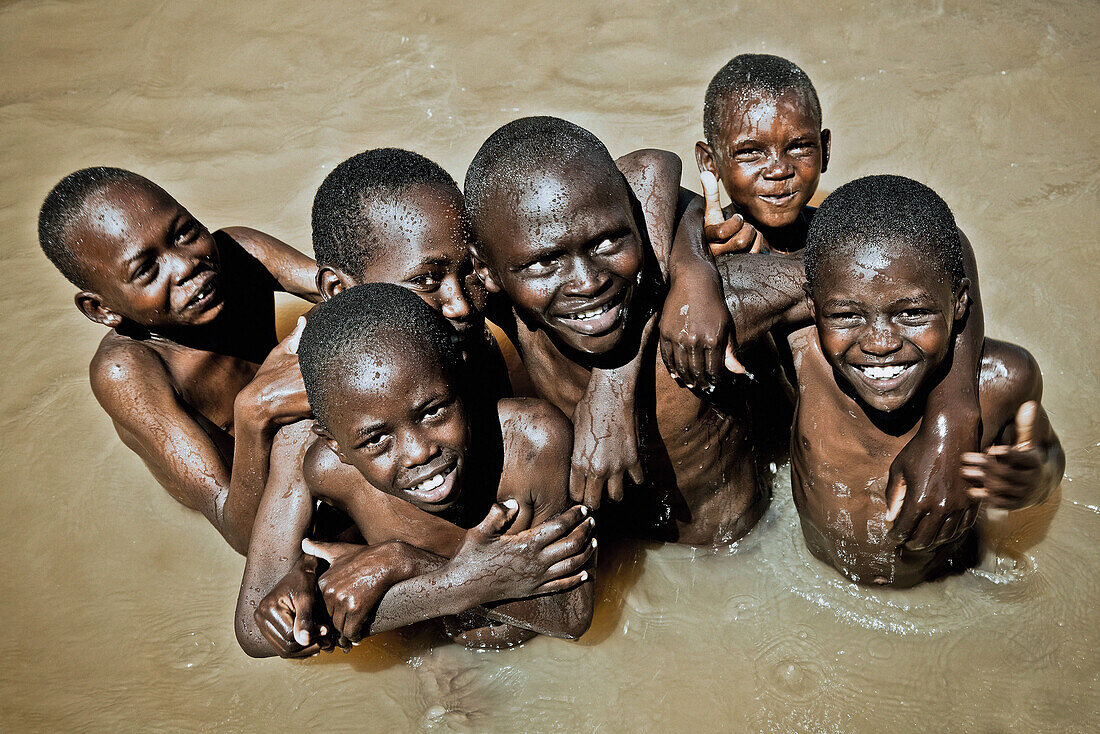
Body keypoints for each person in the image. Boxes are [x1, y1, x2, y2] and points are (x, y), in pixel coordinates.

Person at [670, 55, 990, 551]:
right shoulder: (705, 248)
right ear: (710, 164)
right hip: (757, 467)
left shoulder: (840, 240)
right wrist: (694, 262)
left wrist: (955, 414)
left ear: (824, 149)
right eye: (750, 152)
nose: (778, 171)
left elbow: (951, 250)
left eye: (798, 147)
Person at [463, 116, 791, 546]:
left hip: (739, 551)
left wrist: (613, 381)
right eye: (545, 262)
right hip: (623, 553)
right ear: (485, 272)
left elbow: (651, 169)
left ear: (637, 224)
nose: (588, 282)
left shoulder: (702, 314)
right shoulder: (498, 308)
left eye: (606, 242)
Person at [239, 283, 595, 656]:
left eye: (432, 411)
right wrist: (310, 573)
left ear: (461, 376)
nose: (418, 452)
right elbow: (252, 629)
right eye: (376, 439)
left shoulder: (532, 443)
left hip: (532, 655)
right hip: (430, 651)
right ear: (336, 446)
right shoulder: (329, 471)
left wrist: (409, 563)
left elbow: (569, 617)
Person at [788, 175, 1063, 586]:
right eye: (847, 316)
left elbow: (1045, 457)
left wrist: (1035, 478)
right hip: (814, 578)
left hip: (947, 584)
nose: (880, 344)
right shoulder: (803, 355)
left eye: (912, 313)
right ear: (812, 307)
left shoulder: (1002, 380)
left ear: (960, 301)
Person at [37, 167, 319, 553]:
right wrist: (256, 411)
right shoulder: (129, 372)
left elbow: (343, 286)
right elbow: (241, 534)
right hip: (236, 491)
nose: (185, 265)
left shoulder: (236, 254)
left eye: (184, 234)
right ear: (101, 308)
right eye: (147, 271)